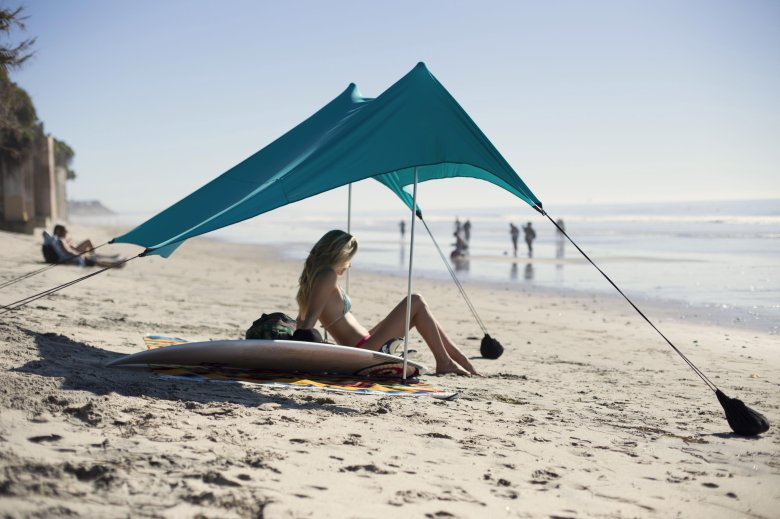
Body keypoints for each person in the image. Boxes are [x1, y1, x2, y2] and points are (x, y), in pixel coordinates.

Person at [295, 230, 479, 376]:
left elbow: (301, 320)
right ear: (338, 254)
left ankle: (458, 358)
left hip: (363, 343)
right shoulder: (327, 275)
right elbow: (308, 323)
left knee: (417, 311)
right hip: (361, 350)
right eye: (348, 259)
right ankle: (445, 362)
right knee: (415, 300)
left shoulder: (313, 279)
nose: (349, 265)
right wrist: (297, 355)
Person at [42, 225, 124, 268]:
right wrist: (78, 254)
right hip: (76, 259)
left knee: (95, 261)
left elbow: (67, 251)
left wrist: (76, 253)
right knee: (95, 262)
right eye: (65, 230)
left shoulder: (59, 241)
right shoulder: (60, 241)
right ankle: (115, 265)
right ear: (59, 231)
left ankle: (115, 264)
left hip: (75, 258)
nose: (67, 231)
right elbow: (67, 252)